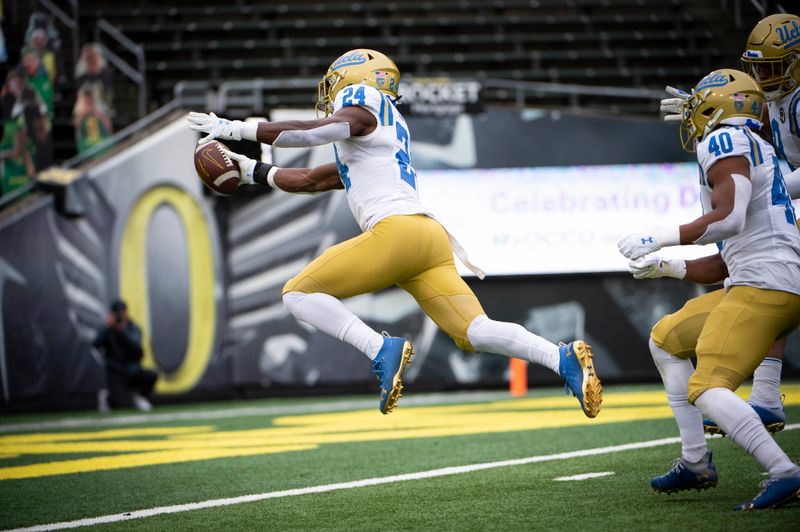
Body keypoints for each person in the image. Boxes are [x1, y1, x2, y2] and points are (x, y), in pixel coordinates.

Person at [187, 49, 602, 416]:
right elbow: (312, 179)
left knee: (297, 293)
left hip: (398, 234)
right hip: (428, 239)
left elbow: (314, 133)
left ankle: (378, 349)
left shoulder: (363, 103)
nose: (330, 95)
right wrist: (252, 171)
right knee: (474, 330)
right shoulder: (379, 135)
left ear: (356, 80)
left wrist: (236, 129)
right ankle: (560, 357)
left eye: (335, 84)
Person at [619, 69, 800, 510]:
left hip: (765, 285)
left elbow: (729, 219)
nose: (690, 113)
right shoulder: (756, 149)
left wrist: (659, 236)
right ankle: (696, 460)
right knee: (665, 339)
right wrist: (667, 266)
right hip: (766, 280)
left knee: (708, 386)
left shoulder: (724, 141)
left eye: (698, 102)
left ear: (719, 106)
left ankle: (785, 472)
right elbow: (726, 259)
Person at [660, 12, 800, 436]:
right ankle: (764, 396)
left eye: (772, 67)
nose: (761, 76)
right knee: (767, 275)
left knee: (769, 274)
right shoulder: (777, 98)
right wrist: (707, 105)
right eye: (756, 66)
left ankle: (764, 396)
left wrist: (773, 188)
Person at [92, 300, 157, 412]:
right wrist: (108, 328)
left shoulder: (133, 328)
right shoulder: (108, 329)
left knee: (151, 375)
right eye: (117, 313)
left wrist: (121, 331)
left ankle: (139, 396)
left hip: (132, 370)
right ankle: (107, 396)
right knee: (122, 405)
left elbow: (135, 348)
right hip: (116, 372)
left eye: (122, 312)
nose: (119, 316)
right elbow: (95, 344)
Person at [75, 44, 113, 117]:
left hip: (100, 103)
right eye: (88, 58)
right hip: (85, 104)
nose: (90, 59)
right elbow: (79, 87)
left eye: (92, 57)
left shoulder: (103, 71)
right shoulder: (81, 70)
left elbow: (107, 91)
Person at [73, 85, 113, 154]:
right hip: (86, 142)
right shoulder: (79, 110)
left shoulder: (100, 108)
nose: (89, 100)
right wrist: (84, 113)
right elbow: (77, 127)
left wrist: (98, 114)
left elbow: (109, 126)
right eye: (86, 98)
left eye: (90, 98)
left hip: (101, 139)